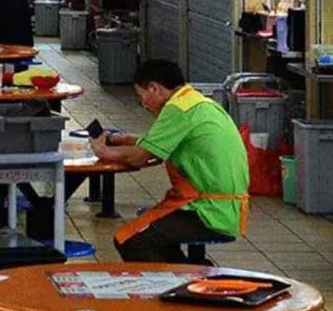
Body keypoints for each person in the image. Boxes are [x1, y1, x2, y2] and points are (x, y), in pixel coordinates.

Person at [90, 60, 248, 263]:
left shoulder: (177, 109)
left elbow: (140, 157)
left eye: (142, 96)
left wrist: (102, 150)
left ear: (154, 88)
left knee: (130, 241)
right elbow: (161, 146)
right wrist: (130, 140)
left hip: (208, 210)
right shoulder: (194, 102)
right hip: (225, 207)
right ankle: (189, 276)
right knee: (154, 237)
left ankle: (183, 281)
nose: (143, 104)